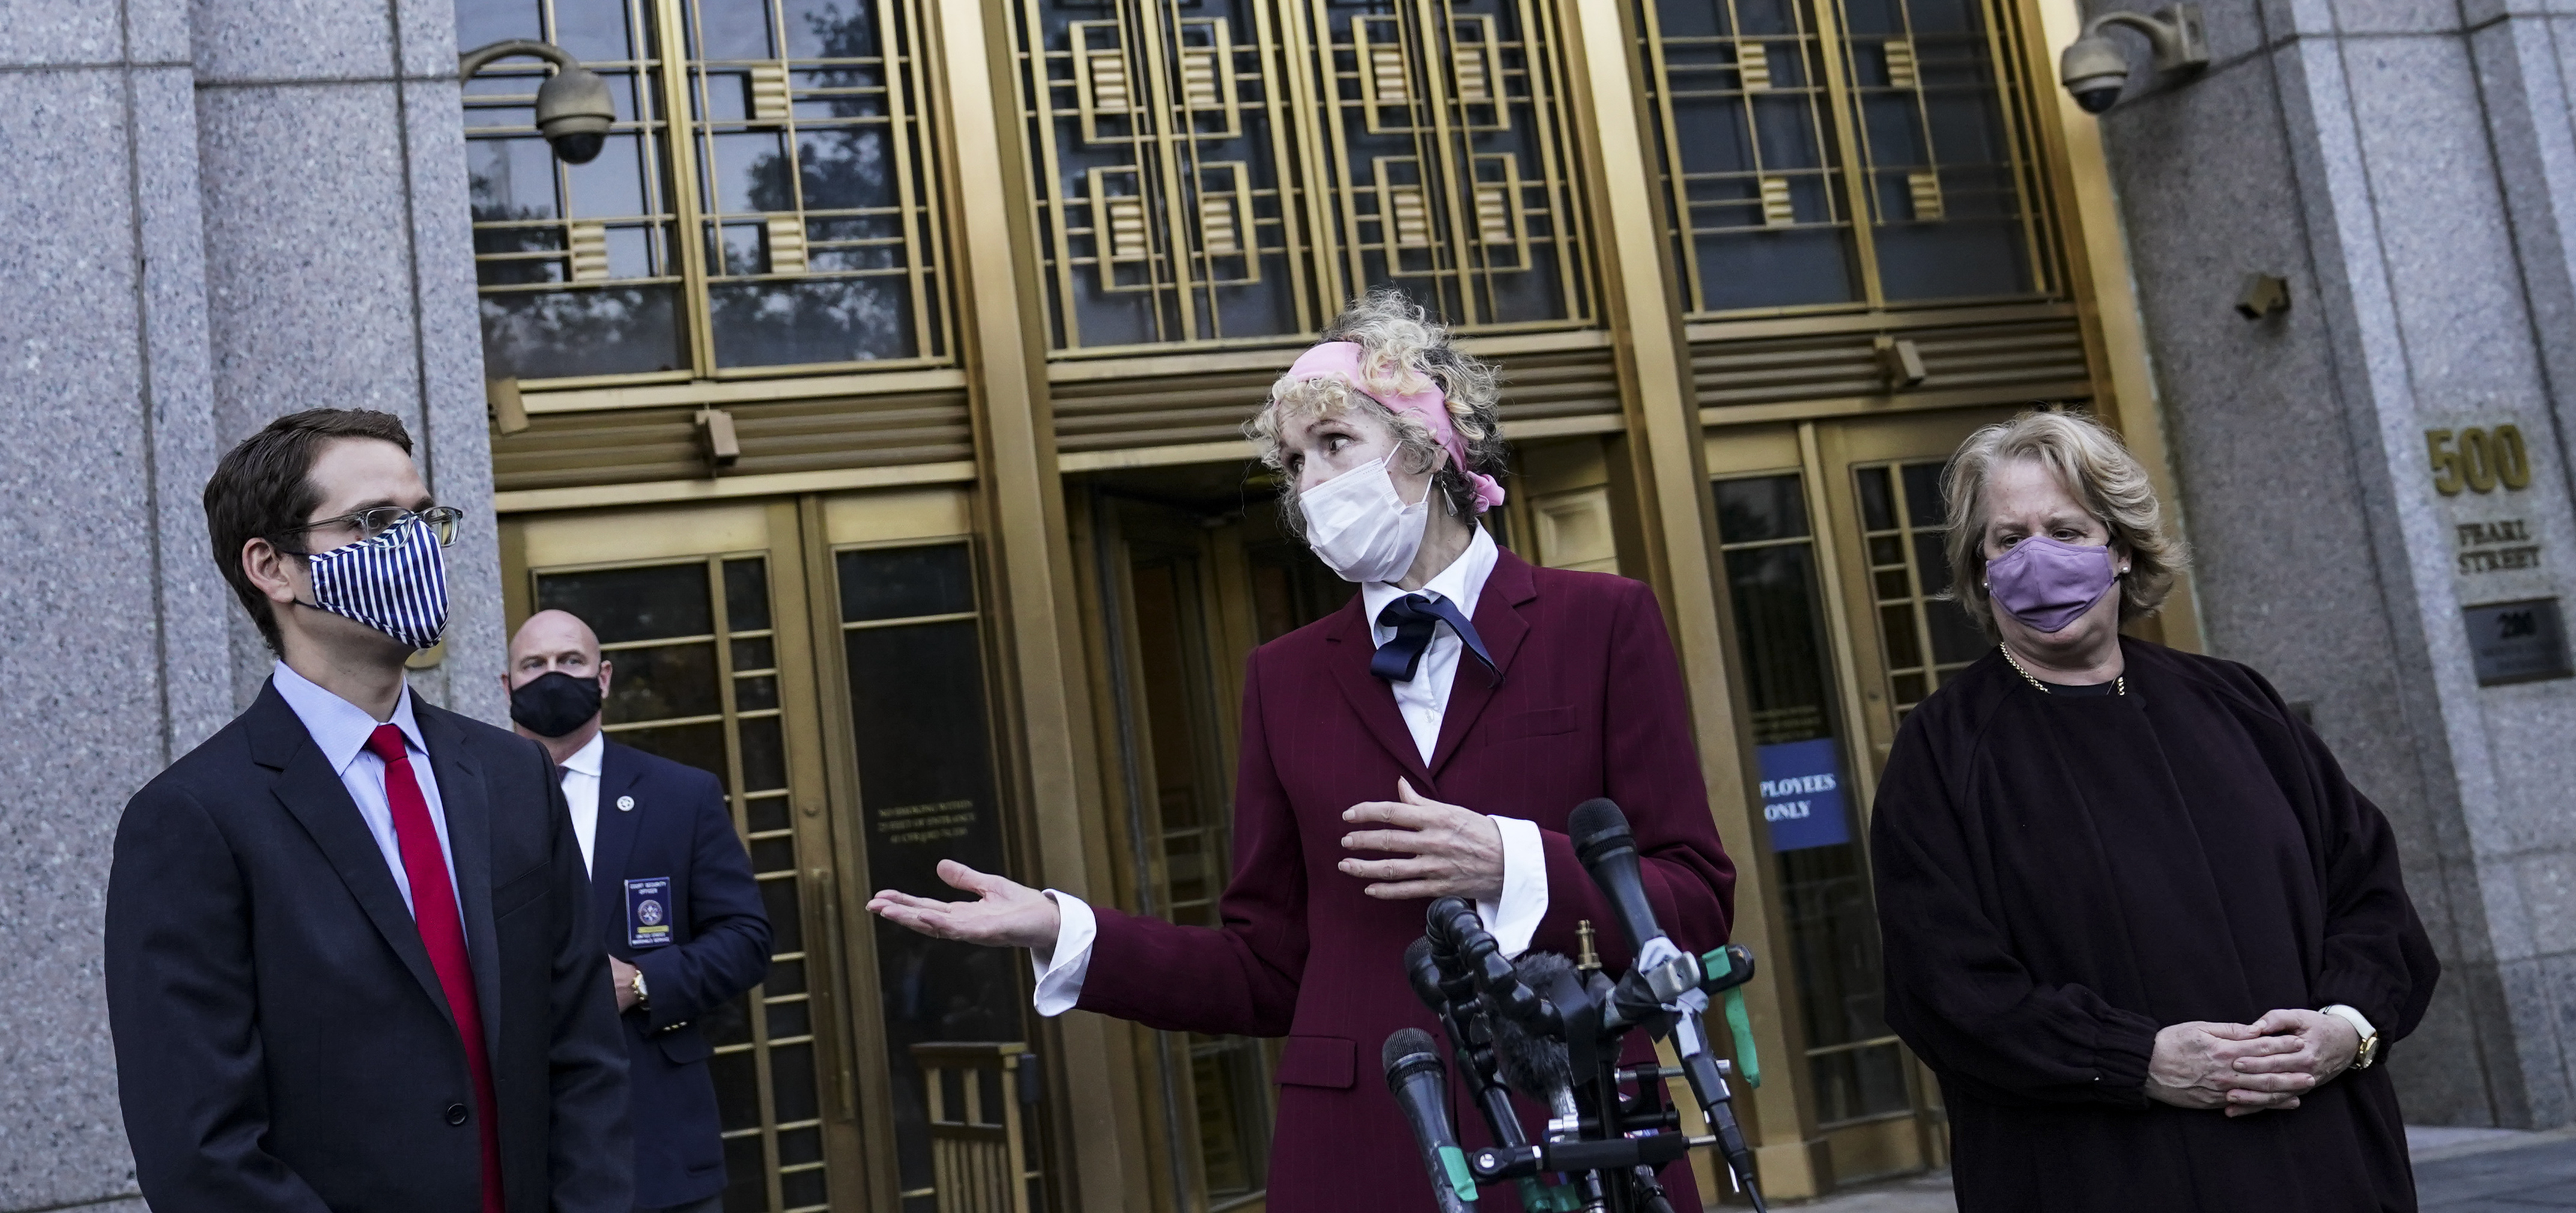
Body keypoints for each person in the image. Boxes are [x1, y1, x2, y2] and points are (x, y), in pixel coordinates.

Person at [870, 289, 1737, 1212]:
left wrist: (1509, 861)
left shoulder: (1602, 624)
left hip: (1581, 1132)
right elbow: (1268, 971)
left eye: (1334, 445)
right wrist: (1064, 929)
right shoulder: (1282, 680)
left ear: (1429, 443)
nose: (1311, 484)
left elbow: (1695, 901)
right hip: (1361, 1151)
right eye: (1293, 463)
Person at [1870, 409, 2439, 1212]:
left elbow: (2372, 902)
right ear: (1981, 566)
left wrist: (2346, 1028)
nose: (2037, 557)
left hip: (2320, 1163)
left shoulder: (2240, 705)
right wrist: (2138, 1059)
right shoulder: (1942, 755)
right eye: (2009, 538)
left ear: (2121, 547)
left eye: (2066, 530)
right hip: (2098, 1174)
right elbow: (1944, 990)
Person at [105, 408, 631, 1213]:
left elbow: (584, 1049)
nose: (414, 543)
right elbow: (200, 1149)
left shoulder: (513, 773)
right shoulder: (194, 819)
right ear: (273, 568)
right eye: (376, 522)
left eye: (425, 517)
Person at [504, 609, 774, 1213]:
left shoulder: (681, 794)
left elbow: (746, 938)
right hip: (521, 1142)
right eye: (534, 665)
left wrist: (646, 982)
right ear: (506, 686)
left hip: (656, 1138)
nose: (553, 677)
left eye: (570, 662)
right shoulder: (467, 798)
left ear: (602, 678)